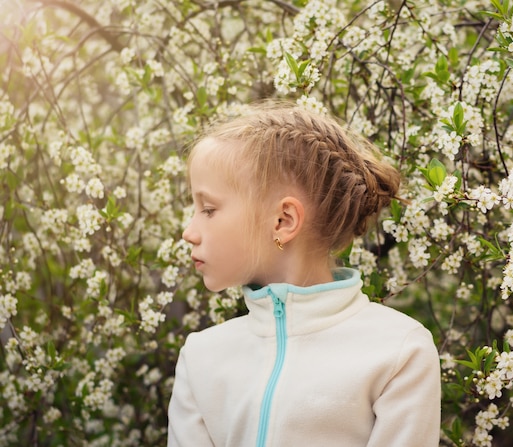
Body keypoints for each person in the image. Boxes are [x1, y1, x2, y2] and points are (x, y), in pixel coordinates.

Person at [167, 102, 441, 447]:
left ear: (283, 221)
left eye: (208, 209)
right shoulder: (201, 358)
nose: (188, 232)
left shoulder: (399, 352)